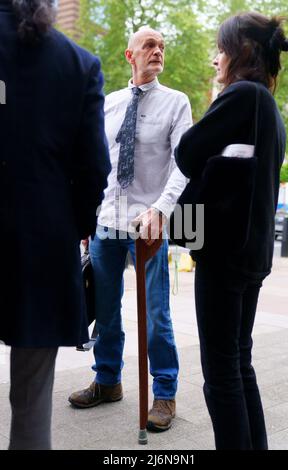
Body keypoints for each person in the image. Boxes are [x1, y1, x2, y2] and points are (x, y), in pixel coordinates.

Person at [175, 12, 288, 450]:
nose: (215, 60)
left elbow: (187, 152)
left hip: (224, 255)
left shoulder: (242, 95)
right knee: (239, 365)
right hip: (251, 255)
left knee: (221, 375)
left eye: (221, 50)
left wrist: (216, 98)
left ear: (239, 52)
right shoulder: (267, 104)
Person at [69, 27, 193, 432]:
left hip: (149, 225)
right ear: (130, 55)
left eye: (161, 46)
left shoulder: (177, 102)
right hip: (107, 221)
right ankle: (107, 381)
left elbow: (182, 165)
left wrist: (160, 210)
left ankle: (164, 393)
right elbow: (96, 163)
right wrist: (88, 216)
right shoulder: (109, 103)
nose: (157, 52)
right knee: (105, 313)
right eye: (149, 46)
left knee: (156, 314)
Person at [0, 0, 111, 450]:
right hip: (42, 244)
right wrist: (76, 225)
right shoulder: (78, 63)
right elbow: (95, 168)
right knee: (31, 400)